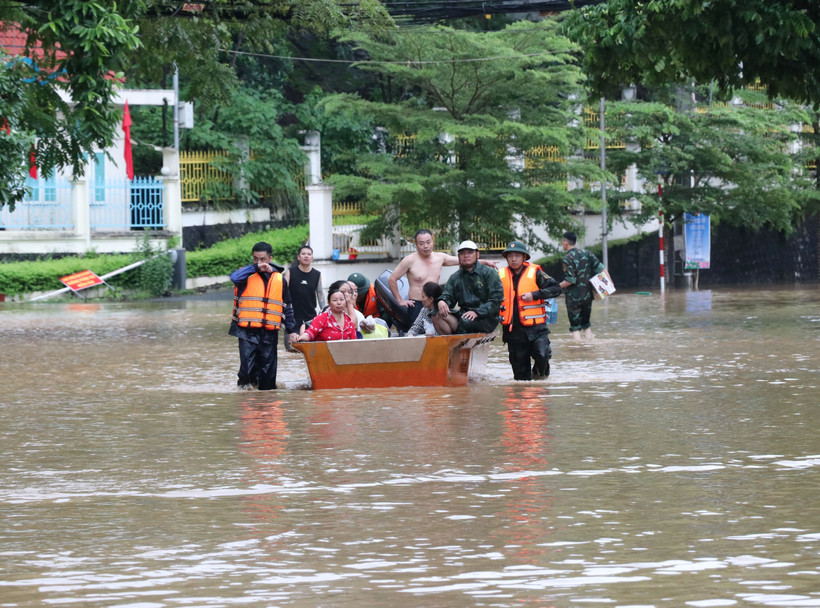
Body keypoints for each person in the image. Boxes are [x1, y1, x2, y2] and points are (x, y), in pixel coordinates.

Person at [229, 241, 299, 390]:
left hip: (269, 332)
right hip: (247, 331)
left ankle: (266, 405)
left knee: (268, 377)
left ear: (270, 259)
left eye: (262, 259)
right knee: (247, 371)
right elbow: (233, 277)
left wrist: (292, 330)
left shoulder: (280, 280)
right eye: (255, 259)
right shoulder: (245, 275)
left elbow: (286, 307)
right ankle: (246, 400)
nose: (259, 262)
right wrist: (255, 268)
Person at [388, 229, 497, 325]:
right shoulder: (409, 260)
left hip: (436, 304)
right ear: (416, 244)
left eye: (428, 242)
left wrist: (486, 262)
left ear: (432, 242)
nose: (425, 246)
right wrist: (400, 300)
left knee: (439, 334)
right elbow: (392, 279)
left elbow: (463, 260)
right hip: (417, 304)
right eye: (421, 243)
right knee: (417, 334)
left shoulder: (440, 257)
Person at [498, 240, 563, 380]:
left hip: (536, 328)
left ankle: (540, 381)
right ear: (506, 258)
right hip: (513, 331)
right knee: (520, 377)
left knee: (542, 355)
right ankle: (524, 395)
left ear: (524, 257)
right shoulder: (500, 275)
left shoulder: (535, 272)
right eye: (510, 256)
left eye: (517, 255)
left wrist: (534, 295)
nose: (513, 259)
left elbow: (556, 288)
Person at [433, 240, 503, 335]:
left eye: (470, 252)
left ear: (477, 254)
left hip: (486, 318)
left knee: (466, 321)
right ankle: (450, 343)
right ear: (458, 257)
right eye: (462, 253)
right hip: (464, 315)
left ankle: (458, 345)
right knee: (436, 313)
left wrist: (477, 312)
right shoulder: (455, 277)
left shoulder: (489, 273)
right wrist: (442, 301)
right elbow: (448, 296)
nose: (466, 256)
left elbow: (496, 300)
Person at [558, 231, 606, 341]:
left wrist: (556, 286)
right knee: (586, 324)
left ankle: (578, 350)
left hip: (573, 298)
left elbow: (570, 280)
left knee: (575, 328)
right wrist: (610, 284)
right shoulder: (587, 253)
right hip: (588, 296)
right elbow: (602, 269)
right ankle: (589, 347)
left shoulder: (567, 258)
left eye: (562, 241)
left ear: (565, 242)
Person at [283, 245, 324, 352]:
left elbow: (320, 294)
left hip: (310, 317)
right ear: (298, 257)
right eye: (303, 254)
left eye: (309, 254)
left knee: (309, 350)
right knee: (291, 349)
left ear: (312, 258)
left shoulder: (317, 274)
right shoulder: (290, 272)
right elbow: (283, 292)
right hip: (292, 317)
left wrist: (324, 311)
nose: (306, 256)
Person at [293, 282, 358, 342]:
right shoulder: (322, 318)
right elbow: (310, 333)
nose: (339, 303)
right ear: (329, 303)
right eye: (335, 300)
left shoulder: (349, 321)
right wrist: (300, 338)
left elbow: (354, 342)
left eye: (341, 300)